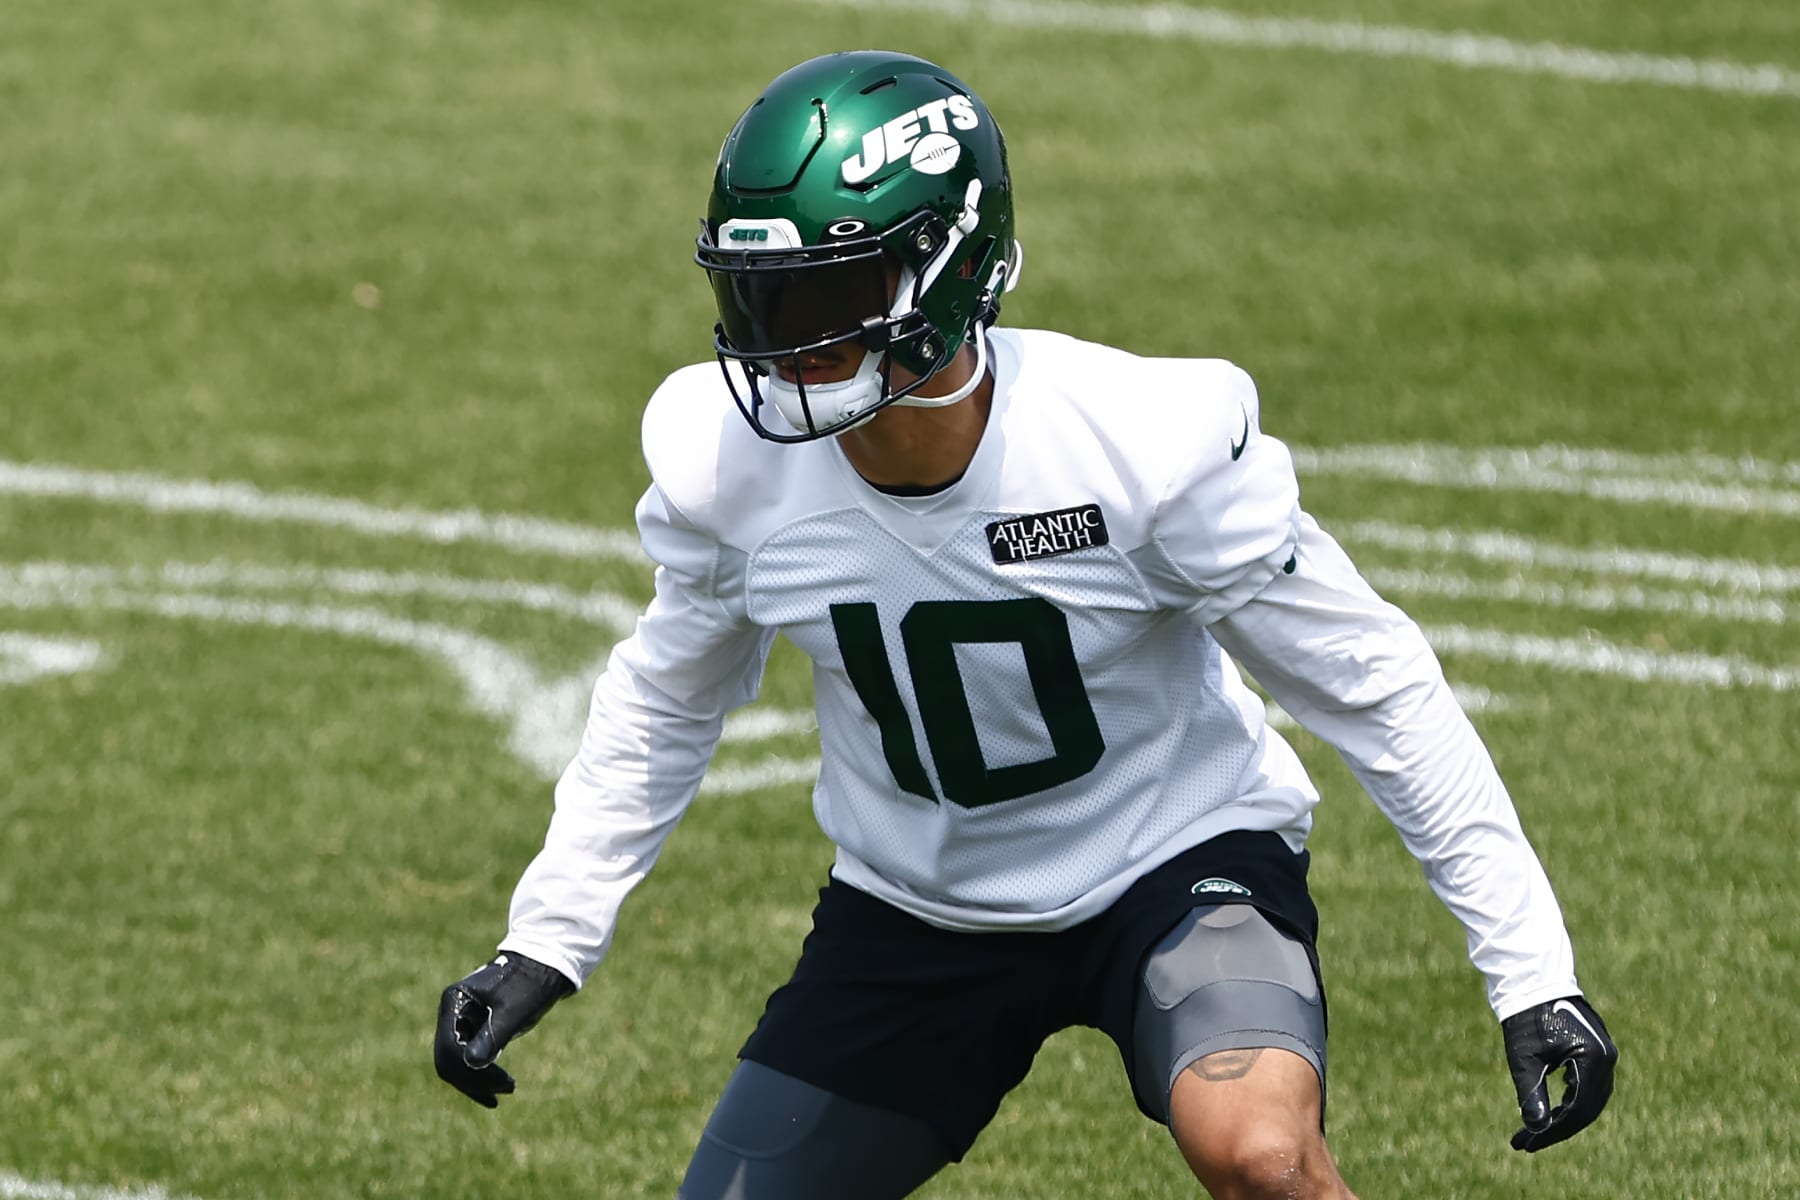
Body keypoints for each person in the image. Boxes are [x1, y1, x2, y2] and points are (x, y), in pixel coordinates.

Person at [433, 49, 1617, 1199]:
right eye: (762, 298)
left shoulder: (1139, 444)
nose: (788, 344)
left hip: (1175, 862)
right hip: (913, 910)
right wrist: (547, 937)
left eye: (833, 296)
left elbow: (1375, 686)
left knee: (1257, 1152)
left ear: (955, 274)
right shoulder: (725, 469)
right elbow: (666, 700)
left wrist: (1530, 973)